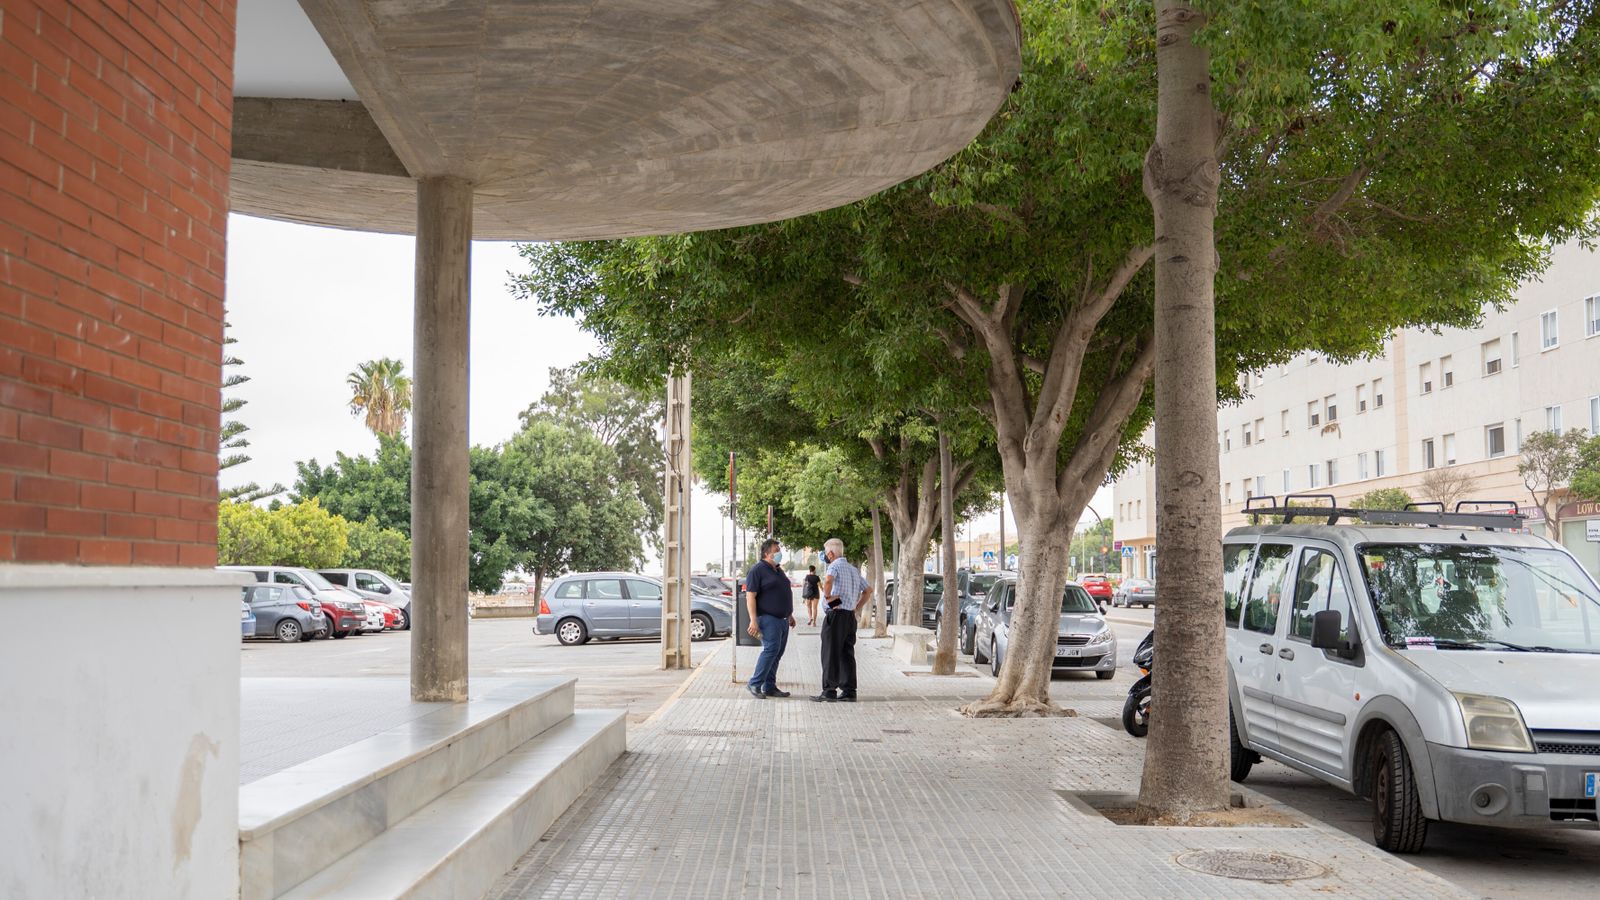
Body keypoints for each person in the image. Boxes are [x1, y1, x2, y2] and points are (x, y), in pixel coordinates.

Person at [814, 537, 871, 703]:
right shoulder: (853, 570)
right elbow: (868, 590)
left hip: (836, 615)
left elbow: (828, 580)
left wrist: (828, 598)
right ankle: (849, 691)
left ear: (831, 553)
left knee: (830, 652)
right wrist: (856, 607)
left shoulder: (834, 566)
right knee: (847, 654)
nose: (826, 556)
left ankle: (829, 691)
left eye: (826, 553)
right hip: (850, 617)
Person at [744, 538, 796, 699]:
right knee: (770, 650)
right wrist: (753, 620)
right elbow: (750, 596)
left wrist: (789, 614)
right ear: (767, 553)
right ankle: (754, 683)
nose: (779, 553)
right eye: (776, 550)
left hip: (783, 619)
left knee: (777, 653)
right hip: (767, 618)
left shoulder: (778, 570)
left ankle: (769, 686)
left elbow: (783, 592)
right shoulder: (757, 570)